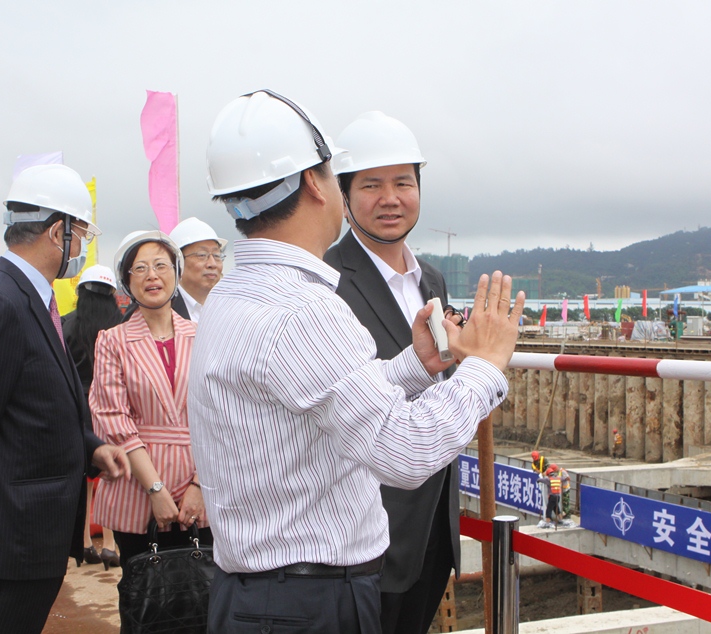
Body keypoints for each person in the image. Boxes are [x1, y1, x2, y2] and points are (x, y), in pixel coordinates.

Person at [189, 89, 525, 631]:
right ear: (316, 184)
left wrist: (413, 365)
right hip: (310, 602)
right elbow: (406, 452)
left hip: (260, 594)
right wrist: (485, 365)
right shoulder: (304, 307)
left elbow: (321, 397)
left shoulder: (235, 291)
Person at [0, 164, 131, 634]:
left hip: (31, 534)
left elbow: (36, 406)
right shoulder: (0, 301)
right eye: (81, 236)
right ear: (58, 232)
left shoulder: (32, 298)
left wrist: (91, 447)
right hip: (8, 536)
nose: (80, 249)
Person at [323, 111, 459, 633]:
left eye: (403, 183)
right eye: (371, 185)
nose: (390, 198)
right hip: (366, 531)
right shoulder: (327, 280)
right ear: (343, 195)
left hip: (435, 522)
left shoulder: (433, 280)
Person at [89, 231, 209, 618]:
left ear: (175, 272)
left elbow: (222, 416)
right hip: (137, 487)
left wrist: (199, 485)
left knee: (204, 597)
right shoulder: (112, 341)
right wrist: (155, 489)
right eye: (139, 268)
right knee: (146, 602)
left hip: (202, 486)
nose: (152, 275)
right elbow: (113, 418)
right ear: (127, 281)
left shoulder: (204, 334)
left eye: (160, 265)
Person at [62, 264, 123, 570]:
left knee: (84, 478)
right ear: (112, 293)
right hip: (112, 404)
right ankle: (110, 544)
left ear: (80, 292)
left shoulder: (66, 324)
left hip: (78, 406)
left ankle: (85, 541)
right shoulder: (121, 325)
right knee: (112, 472)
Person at [168, 217, 227, 321]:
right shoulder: (163, 310)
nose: (212, 264)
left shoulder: (228, 308)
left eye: (217, 255)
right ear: (177, 261)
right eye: (202, 255)